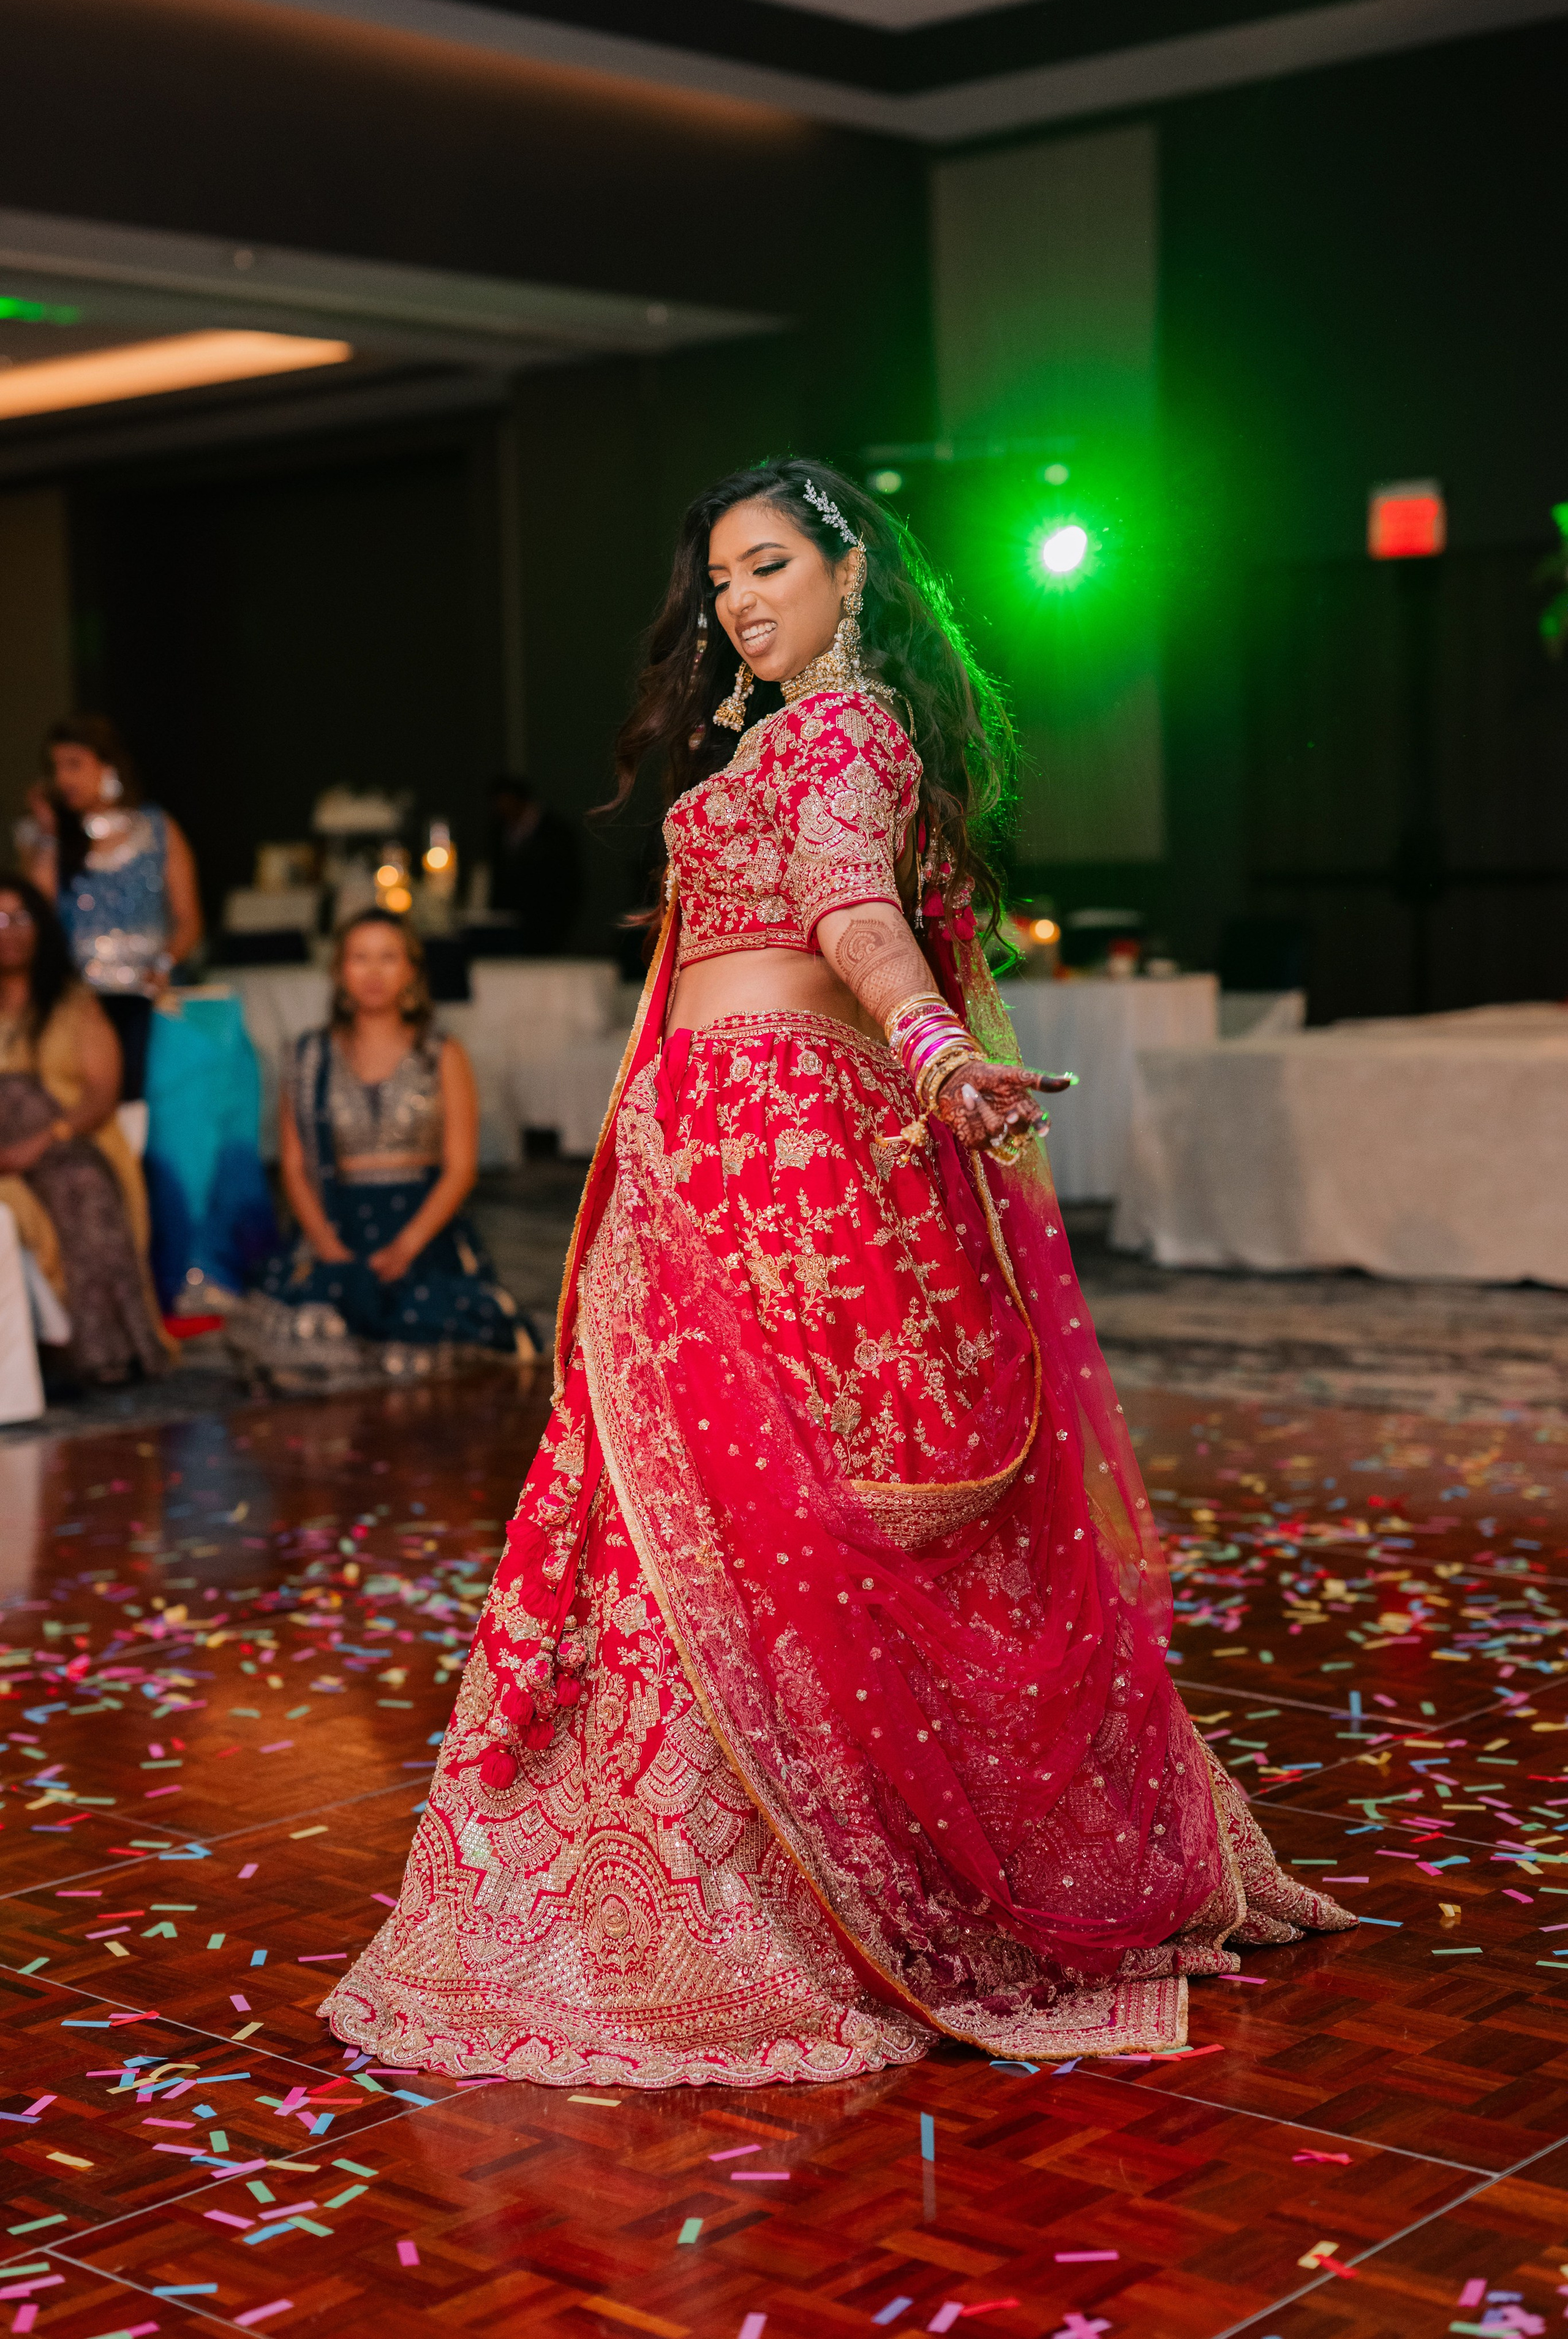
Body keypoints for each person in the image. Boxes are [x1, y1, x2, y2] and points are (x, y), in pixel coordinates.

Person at [323, 459, 1351, 2088]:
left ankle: (785, 1888)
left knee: (788, 1525)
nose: (739, 601)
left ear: (853, 571)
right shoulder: (775, 737)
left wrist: (935, 1047)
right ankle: (674, 1879)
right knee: (683, 1526)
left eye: (770, 565)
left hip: (793, 1167)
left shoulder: (850, 736)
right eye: (721, 578)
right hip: (710, 1157)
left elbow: (857, 912)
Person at [245, 908, 529, 1373]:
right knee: (308, 1340)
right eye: (360, 958)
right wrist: (327, 1247)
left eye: (388, 958)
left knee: (427, 1340)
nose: (374, 973)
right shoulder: (307, 1057)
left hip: (420, 1226)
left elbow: (461, 1168)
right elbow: (294, 1167)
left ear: (411, 970)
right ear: (339, 971)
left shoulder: (441, 1053)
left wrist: (406, 1247)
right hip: (336, 1222)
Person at [0, 876, 168, 1385]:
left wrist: (43, 1140)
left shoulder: (73, 1004)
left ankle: (104, 1349)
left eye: (20, 917)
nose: (8, 931)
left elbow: (100, 1091)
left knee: (81, 1187)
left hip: (64, 1141)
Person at [17, 714, 203, 1104]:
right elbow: (32, 919)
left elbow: (189, 920)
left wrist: (163, 966)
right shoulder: (55, 842)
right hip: (79, 1003)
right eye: (55, 768)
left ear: (108, 766)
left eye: (75, 765)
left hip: (149, 999)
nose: (63, 779)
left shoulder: (156, 827)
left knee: (152, 1102)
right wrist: (50, 836)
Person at [486, 777, 582, 954]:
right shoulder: (499, 832)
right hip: (510, 924)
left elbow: (568, 881)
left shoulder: (555, 832)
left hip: (548, 921)